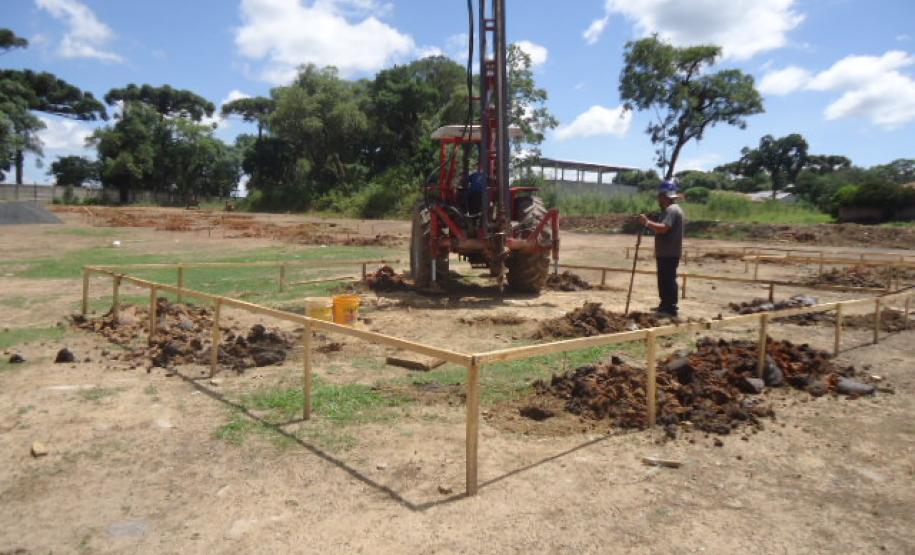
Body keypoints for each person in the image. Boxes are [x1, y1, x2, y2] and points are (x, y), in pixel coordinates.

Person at [639, 181, 685, 317]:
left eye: (660, 195)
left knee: (668, 278)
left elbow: (664, 228)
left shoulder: (672, 210)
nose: (658, 198)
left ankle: (670, 307)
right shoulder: (671, 210)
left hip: (669, 252)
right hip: (667, 251)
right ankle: (665, 304)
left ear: (665, 196)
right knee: (664, 278)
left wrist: (647, 223)